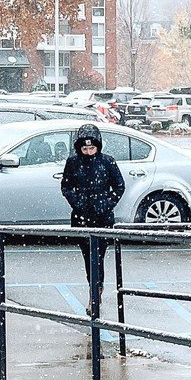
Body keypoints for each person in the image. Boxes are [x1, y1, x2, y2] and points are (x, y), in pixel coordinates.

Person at [60, 123, 126, 294]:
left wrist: (106, 203)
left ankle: (96, 290)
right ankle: (94, 286)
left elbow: (119, 186)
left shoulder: (107, 162)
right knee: (88, 257)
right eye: (85, 148)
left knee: (98, 256)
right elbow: (66, 187)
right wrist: (77, 203)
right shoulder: (73, 163)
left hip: (102, 219)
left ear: (98, 146)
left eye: (92, 148)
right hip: (82, 218)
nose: (89, 152)